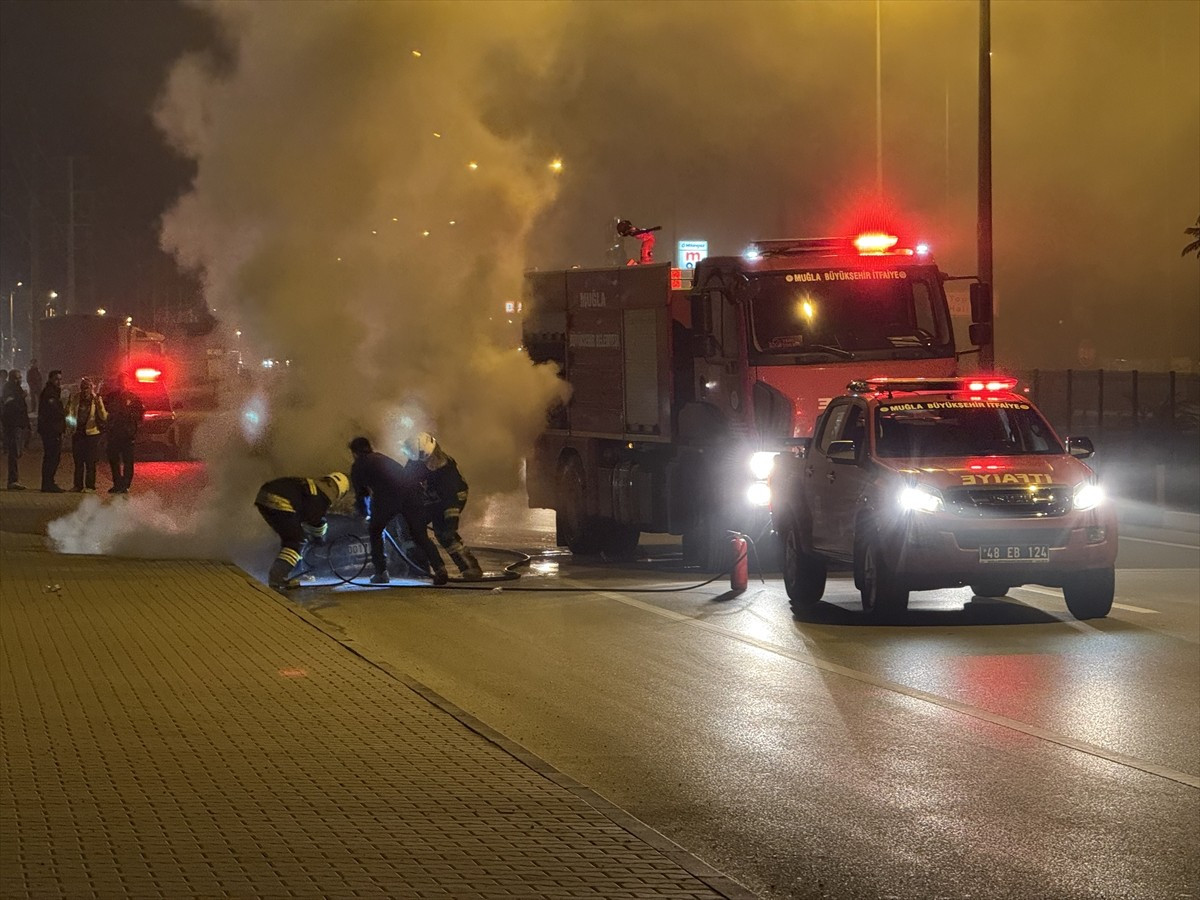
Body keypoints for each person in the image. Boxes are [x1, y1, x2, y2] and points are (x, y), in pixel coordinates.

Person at [348, 435, 446, 586]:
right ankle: (440, 568)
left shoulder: (358, 465)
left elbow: (362, 495)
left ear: (354, 452)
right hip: (412, 495)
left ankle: (381, 573)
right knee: (419, 534)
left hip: (387, 498)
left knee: (375, 531)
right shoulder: (382, 458)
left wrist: (364, 514)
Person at [402, 432, 484, 581]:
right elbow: (407, 478)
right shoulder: (417, 458)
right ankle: (426, 567)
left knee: (444, 534)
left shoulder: (446, 470)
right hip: (431, 497)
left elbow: (450, 500)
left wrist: (451, 524)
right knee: (412, 526)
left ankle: (471, 568)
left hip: (453, 497)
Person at [255, 472, 350, 590]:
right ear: (340, 493)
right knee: (296, 541)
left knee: (289, 535)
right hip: (281, 502)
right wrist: (319, 539)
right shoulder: (321, 498)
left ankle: (279, 571)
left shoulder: (313, 486)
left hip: (264, 497)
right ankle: (277, 577)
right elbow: (314, 521)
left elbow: (306, 516)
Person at [103, 373, 144, 494]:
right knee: (113, 461)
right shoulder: (110, 397)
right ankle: (117, 484)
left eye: (124, 382)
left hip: (127, 435)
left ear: (128, 383)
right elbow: (103, 412)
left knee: (128, 461)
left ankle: (125, 485)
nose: (122, 384)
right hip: (113, 434)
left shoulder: (134, 398)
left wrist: (130, 420)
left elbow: (140, 415)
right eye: (120, 382)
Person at [66, 378, 107, 492]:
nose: (84, 390)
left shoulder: (95, 400)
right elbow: (70, 414)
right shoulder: (75, 398)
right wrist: (71, 426)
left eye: (87, 388)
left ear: (91, 388)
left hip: (92, 434)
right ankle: (77, 485)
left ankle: (90, 486)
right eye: (82, 388)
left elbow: (103, 416)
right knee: (78, 461)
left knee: (90, 462)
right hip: (78, 434)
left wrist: (99, 403)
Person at [37, 370, 67, 492]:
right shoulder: (50, 393)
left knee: (53, 457)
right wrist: (64, 409)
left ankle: (48, 482)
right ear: (50, 379)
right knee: (52, 457)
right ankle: (48, 483)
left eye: (60, 379)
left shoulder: (53, 392)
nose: (59, 382)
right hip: (51, 430)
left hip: (53, 429)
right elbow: (54, 412)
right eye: (56, 379)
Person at [2, 368, 31, 490]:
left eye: (20, 378)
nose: (19, 380)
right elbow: (9, 403)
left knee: (17, 451)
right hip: (12, 424)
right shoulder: (8, 388)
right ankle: (12, 480)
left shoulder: (16, 389)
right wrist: (21, 396)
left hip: (19, 424)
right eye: (17, 378)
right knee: (14, 452)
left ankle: (14, 479)